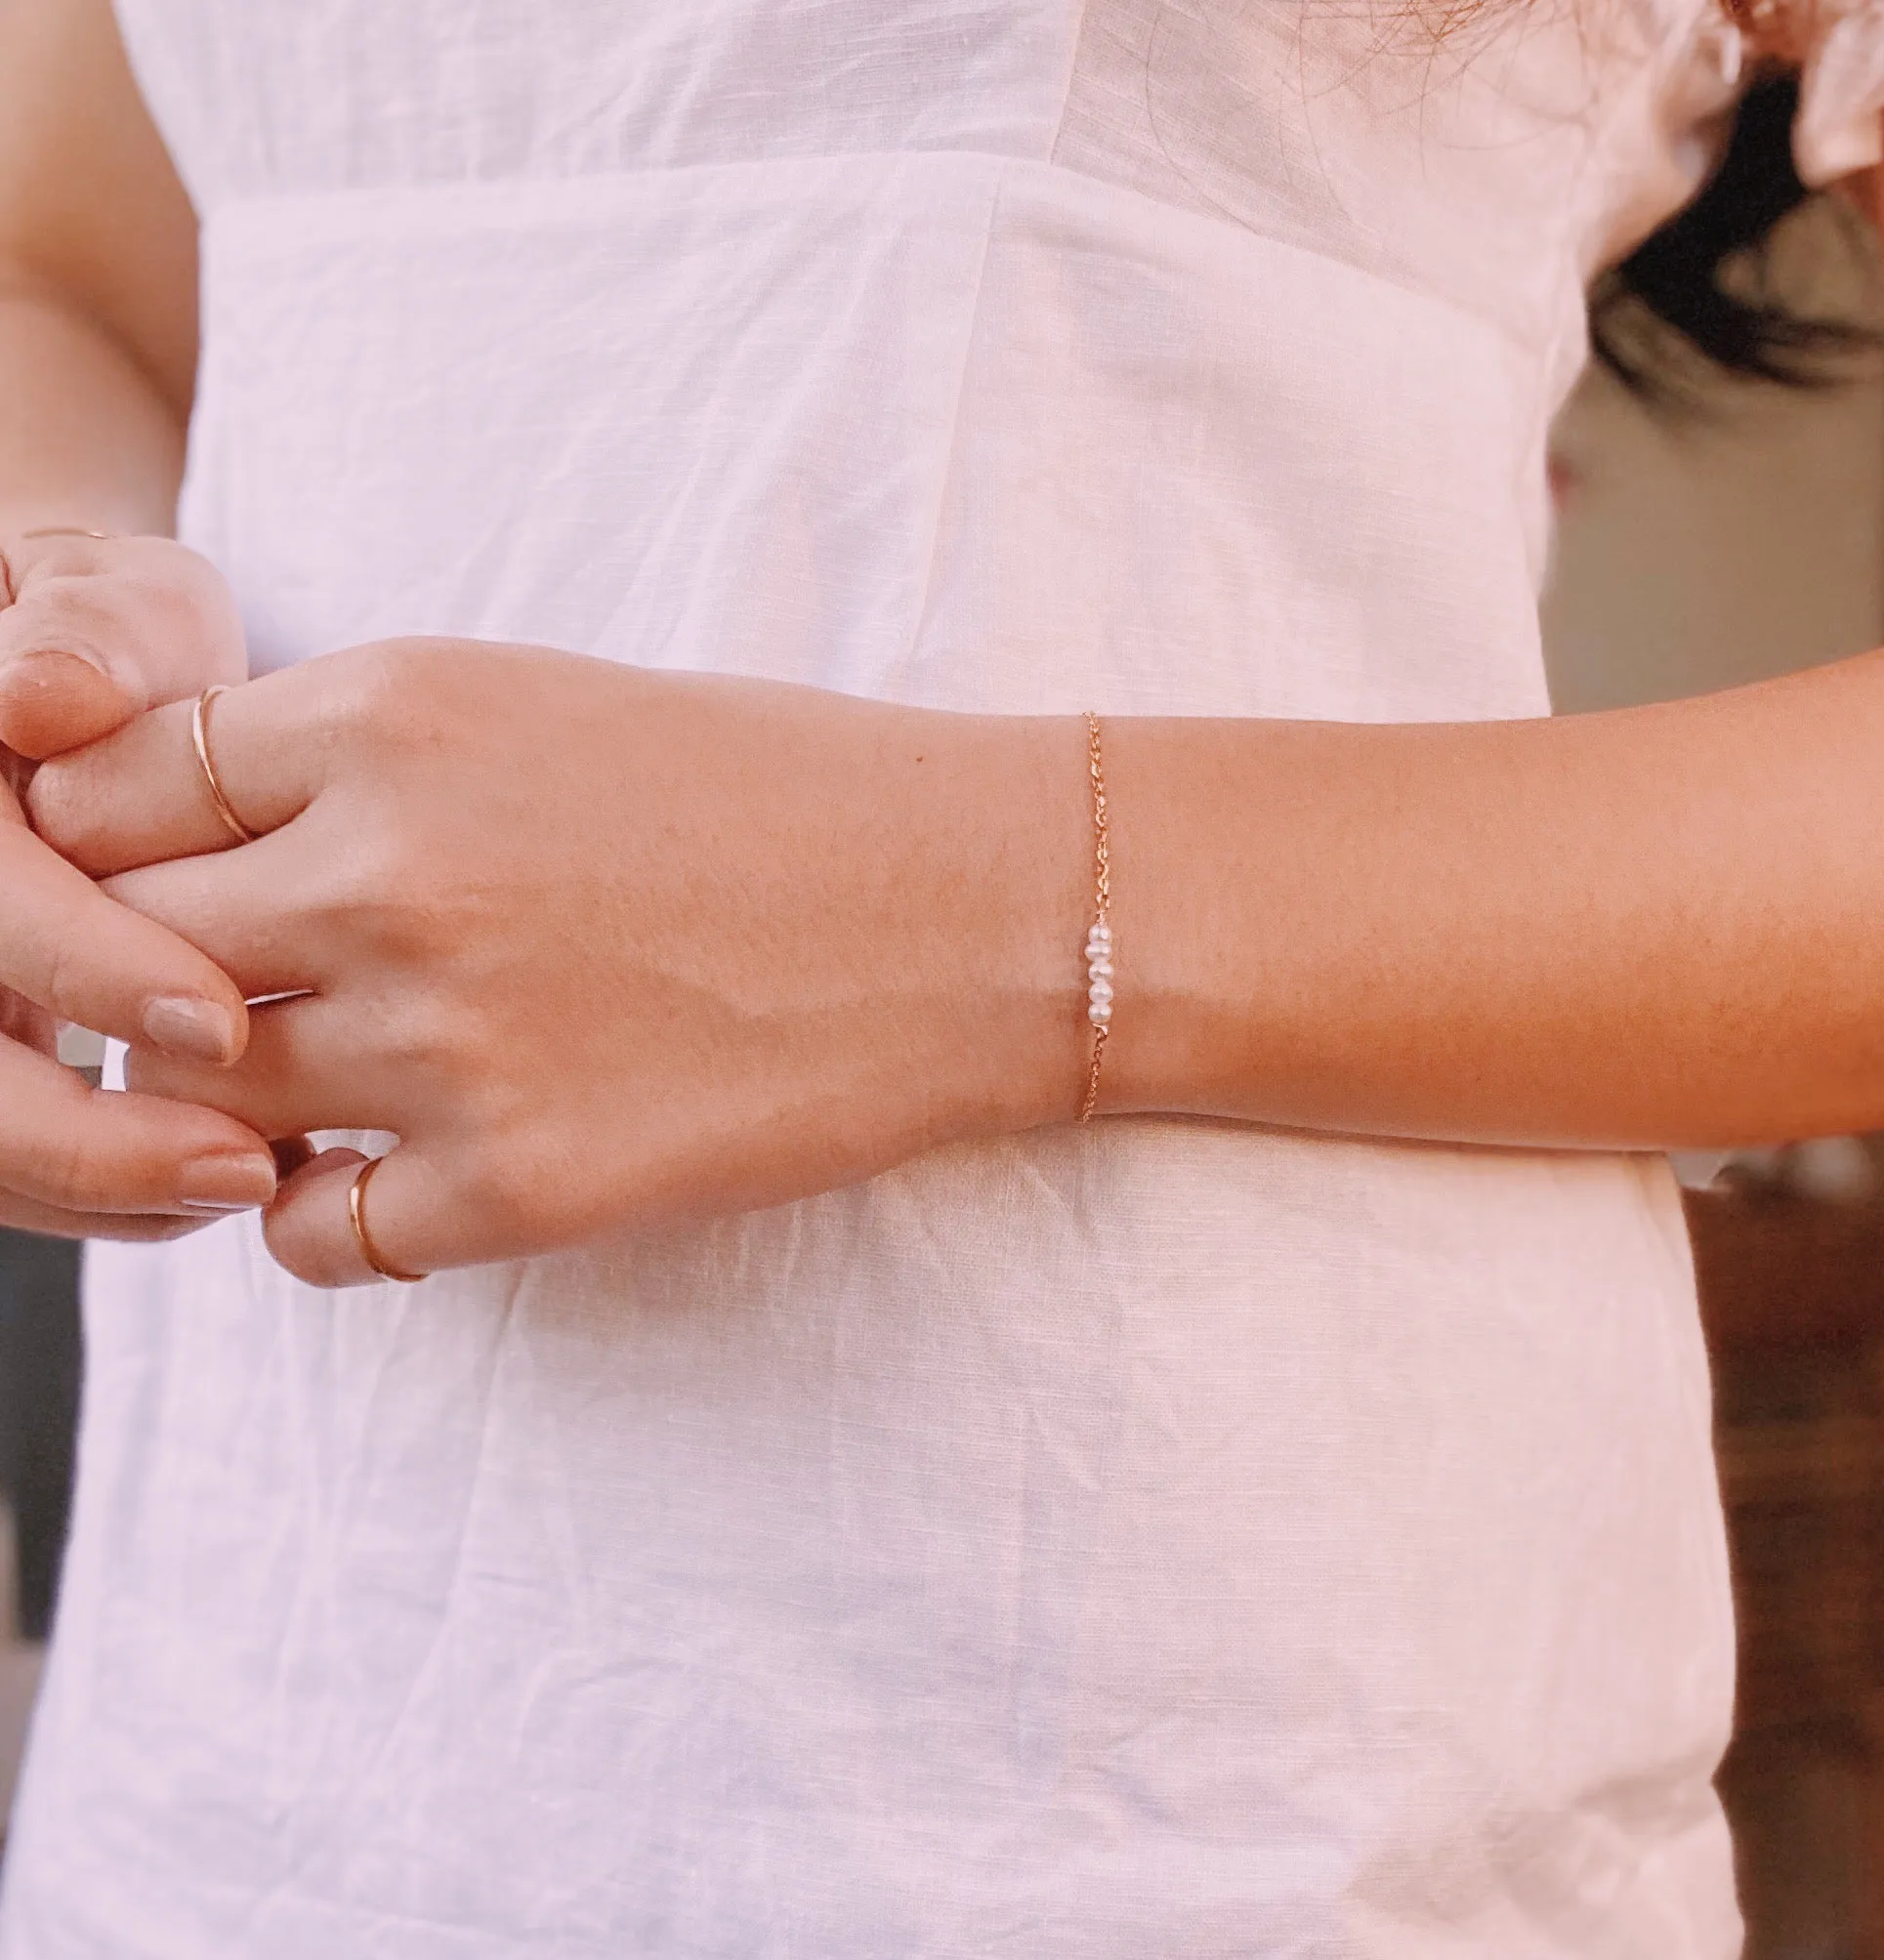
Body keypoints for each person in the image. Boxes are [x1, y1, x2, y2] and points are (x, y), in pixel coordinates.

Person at [0, 0, 1878, 1950]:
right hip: (246, 1729)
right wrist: (48, 612)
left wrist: (970, 907)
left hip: (1159, 1770)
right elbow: (75, 281)